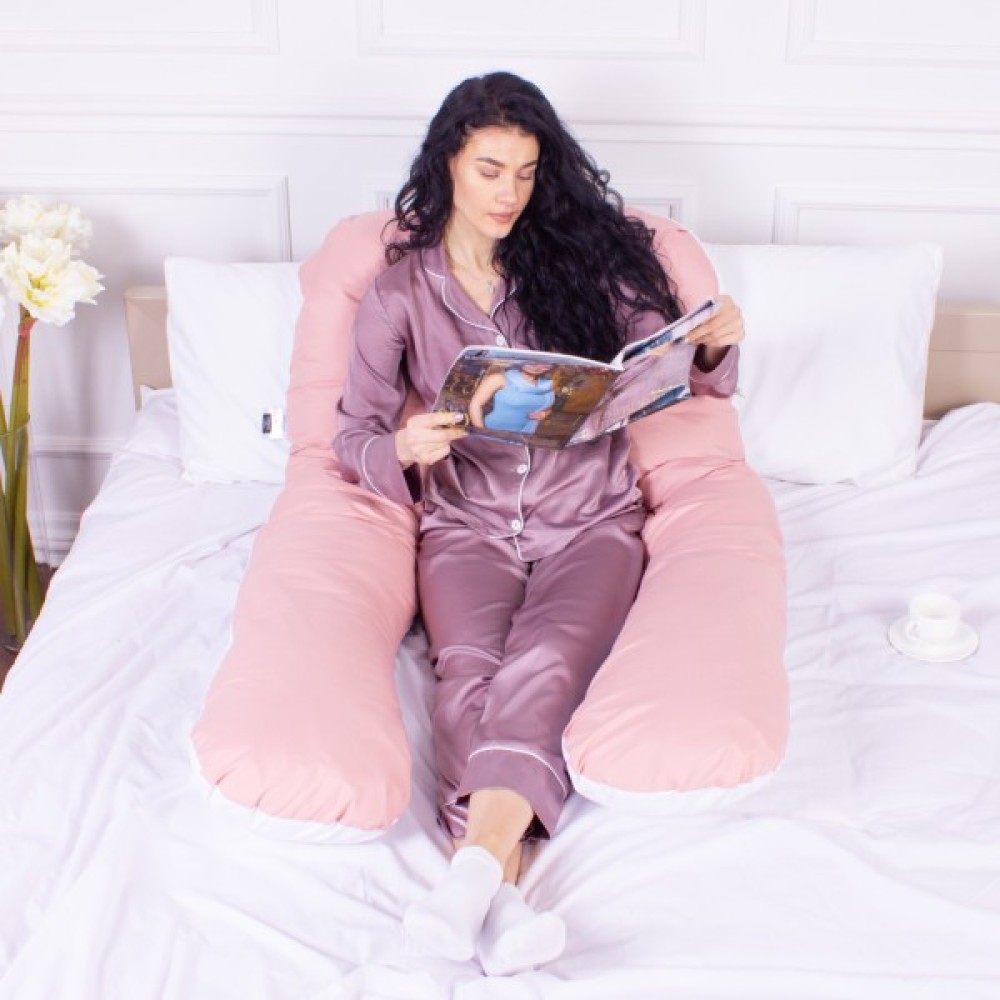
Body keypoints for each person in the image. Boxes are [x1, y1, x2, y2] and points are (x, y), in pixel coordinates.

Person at [333, 71, 744, 976]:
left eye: (525, 172)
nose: (509, 193)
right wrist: (403, 445)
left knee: (547, 659)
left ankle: (469, 877)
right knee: (467, 674)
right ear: (447, 163)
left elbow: (674, 368)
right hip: (466, 526)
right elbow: (351, 432)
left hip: (590, 522)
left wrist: (710, 344)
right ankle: (504, 901)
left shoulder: (584, 262)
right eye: (490, 170)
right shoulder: (400, 294)